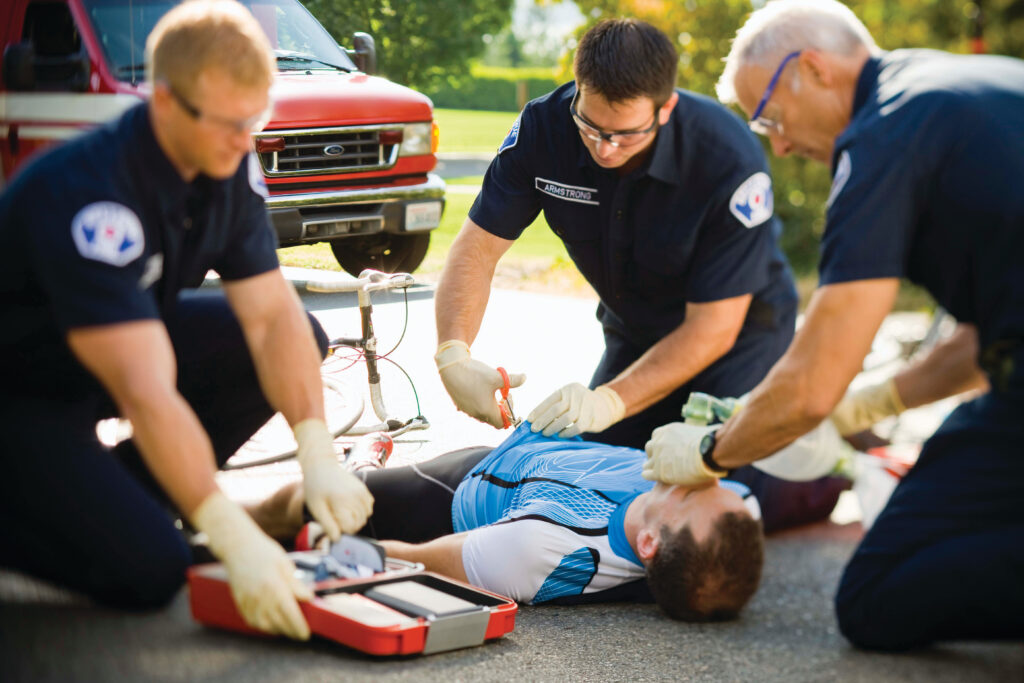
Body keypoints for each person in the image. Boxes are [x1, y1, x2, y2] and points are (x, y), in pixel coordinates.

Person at [643, 0, 1024, 650]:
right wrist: (874, 401)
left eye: (769, 117)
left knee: (878, 596)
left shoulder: (881, 136)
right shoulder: (970, 87)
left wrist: (712, 452)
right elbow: (978, 338)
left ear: (812, 69)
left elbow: (812, 380)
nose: (781, 145)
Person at [0, 0, 372, 642]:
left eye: (255, 119)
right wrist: (226, 527)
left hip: (102, 355)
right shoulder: (91, 192)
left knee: (299, 337)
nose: (244, 139)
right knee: (151, 572)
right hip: (22, 393)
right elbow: (147, 391)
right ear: (165, 102)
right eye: (229, 122)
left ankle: (127, 498)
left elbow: (271, 321)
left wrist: (315, 447)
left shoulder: (222, 161)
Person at [433, 18, 798, 451]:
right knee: (584, 471)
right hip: (636, 335)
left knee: (709, 485)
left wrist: (609, 401)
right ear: (578, 88)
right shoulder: (543, 128)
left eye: (626, 135)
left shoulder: (726, 157)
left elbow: (714, 327)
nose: (605, 148)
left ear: (665, 109)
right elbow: (477, 249)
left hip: (739, 342)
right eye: (590, 127)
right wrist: (453, 352)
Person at [254, 422, 765, 622]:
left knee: (323, 499)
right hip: (548, 446)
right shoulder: (738, 504)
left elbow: (409, 559)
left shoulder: (538, 551)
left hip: (468, 484)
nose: (707, 477)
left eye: (696, 493)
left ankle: (234, 516)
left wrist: (326, 548)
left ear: (649, 543)